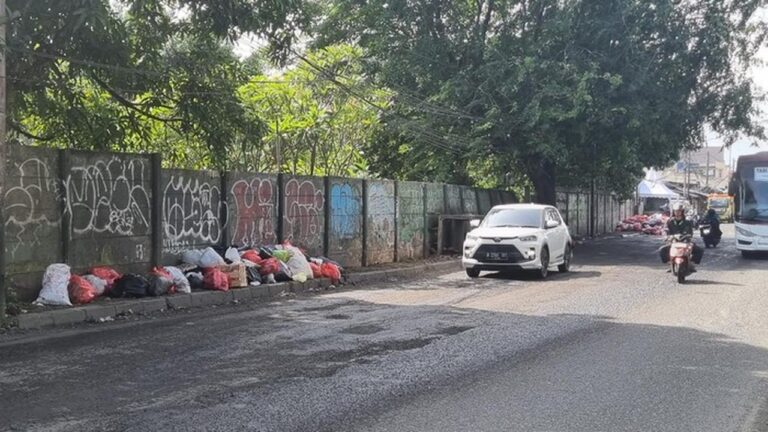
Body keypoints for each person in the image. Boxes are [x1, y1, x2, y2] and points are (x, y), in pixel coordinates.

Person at [659, 203, 704, 268]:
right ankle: (670, 263)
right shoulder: (669, 221)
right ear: (673, 212)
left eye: (679, 211)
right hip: (673, 241)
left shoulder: (687, 222)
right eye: (676, 211)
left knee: (699, 250)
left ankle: (692, 263)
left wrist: (688, 236)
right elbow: (665, 230)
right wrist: (667, 236)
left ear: (682, 212)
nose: (677, 213)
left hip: (685, 241)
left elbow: (690, 232)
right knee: (662, 250)